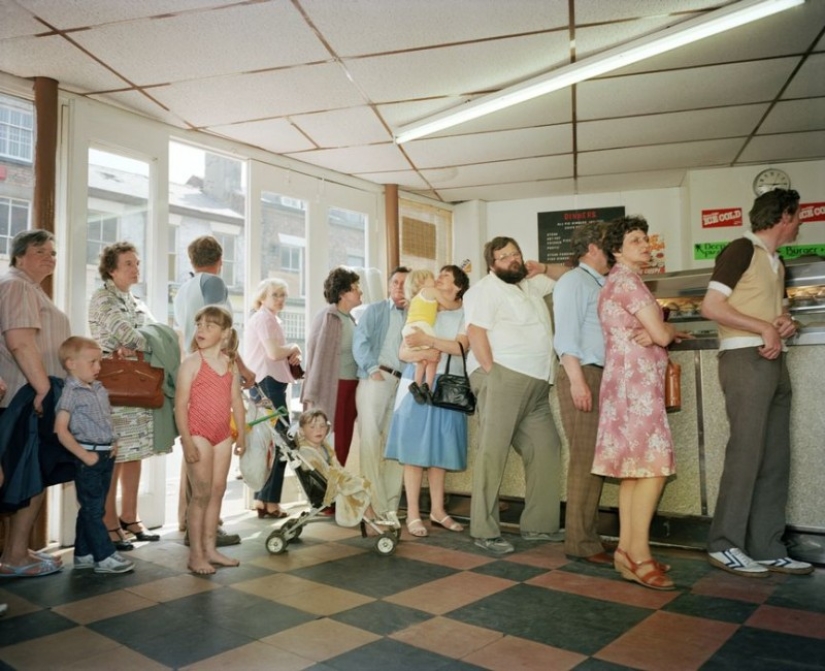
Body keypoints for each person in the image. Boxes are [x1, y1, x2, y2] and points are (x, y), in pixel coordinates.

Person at [701, 189, 812, 577]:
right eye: (797, 216)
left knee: (775, 457)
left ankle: (766, 545)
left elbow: (779, 315)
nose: (801, 222)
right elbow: (711, 306)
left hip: (774, 362)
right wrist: (764, 327)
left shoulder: (777, 262)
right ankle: (724, 544)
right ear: (784, 216)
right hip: (744, 359)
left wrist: (785, 323)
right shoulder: (740, 249)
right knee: (746, 454)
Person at [592, 216, 689, 591]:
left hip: (624, 386)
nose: (645, 245)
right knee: (654, 468)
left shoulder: (615, 283)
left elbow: (657, 334)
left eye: (645, 239)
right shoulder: (630, 284)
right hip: (636, 388)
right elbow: (661, 333)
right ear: (617, 250)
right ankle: (639, 554)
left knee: (636, 471)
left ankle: (627, 552)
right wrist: (661, 333)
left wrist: (658, 334)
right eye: (635, 240)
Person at [464, 237, 568, 555]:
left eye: (515, 253)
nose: (512, 259)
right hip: (503, 376)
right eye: (503, 256)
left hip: (538, 384)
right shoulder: (484, 289)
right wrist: (491, 371)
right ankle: (484, 529)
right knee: (491, 453)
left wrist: (545, 267)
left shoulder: (531, 285)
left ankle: (539, 526)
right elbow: (476, 331)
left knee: (547, 447)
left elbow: (571, 276)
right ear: (492, 264)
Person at [0, 230, 70, 577]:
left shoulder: (29, 287)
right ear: (19, 256)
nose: (50, 257)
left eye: (53, 253)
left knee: (34, 474)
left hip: (34, 395)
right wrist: (44, 389)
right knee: (28, 475)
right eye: (40, 251)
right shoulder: (17, 285)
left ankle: (17, 551)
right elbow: (19, 341)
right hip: (25, 396)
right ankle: (13, 558)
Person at [174, 235, 252, 545]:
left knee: (194, 448)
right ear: (220, 260)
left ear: (191, 260)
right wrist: (242, 367)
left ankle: (187, 520)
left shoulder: (184, 289)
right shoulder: (214, 284)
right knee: (208, 445)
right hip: (212, 371)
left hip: (192, 369)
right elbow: (221, 330)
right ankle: (207, 528)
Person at [88, 242, 165, 551]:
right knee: (115, 455)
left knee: (135, 453)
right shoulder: (103, 298)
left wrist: (148, 341)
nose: (135, 268)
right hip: (114, 386)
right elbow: (131, 335)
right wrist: (147, 341)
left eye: (137, 263)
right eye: (128, 263)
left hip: (138, 386)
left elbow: (155, 332)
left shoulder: (136, 300)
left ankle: (129, 517)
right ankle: (108, 522)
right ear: (112, 269)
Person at [385, 265, 470, 537]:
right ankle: (411, 513)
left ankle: (437, 511)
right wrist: (423, 348)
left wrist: (428, 342)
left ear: (458, 286)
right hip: (417, 385)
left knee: (440, 452)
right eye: (439, 275)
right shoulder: (424, 305)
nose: (438, 278)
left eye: (445, 276)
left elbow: (460, 347)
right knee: (413, 451)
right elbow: (403, 351)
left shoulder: (465, 311)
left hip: (447, 386)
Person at [552, 222, 612, 565]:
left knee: (594, 461)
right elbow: (566, 340)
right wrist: (577, 382)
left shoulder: (596, 282)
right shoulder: (574, 281)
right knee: (585, 461)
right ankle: (580, 542)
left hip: (596, 375)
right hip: (583, 374)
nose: (613, 251)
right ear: (591, 248)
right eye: (608, 245)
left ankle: (589, 536)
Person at [54, 336, 135, 574]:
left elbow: (105, 420)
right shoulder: (71, 392)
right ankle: (105, 556)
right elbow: (60, 430)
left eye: (99, 362)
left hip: (105, 455)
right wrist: (85, 456)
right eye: (92, 362)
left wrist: (114, 442)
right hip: (88, 457)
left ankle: (83, 553)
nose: (98, 368)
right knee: (92, 509)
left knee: (92, 507)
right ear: (71, 364)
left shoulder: (98, 388)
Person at [175, 306, 246, 575]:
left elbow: (236, 402)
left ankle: (211, 549)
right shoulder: (192, 363)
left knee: (217, 490)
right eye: (199, 324)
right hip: (198, 434)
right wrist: (187, 442)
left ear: (225, 333)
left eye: (210, 326)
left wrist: (242, 434)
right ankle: (195, 555)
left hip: (222, 436)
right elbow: (180, 406)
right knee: (201, 493)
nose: (201, 330)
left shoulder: (229, 364)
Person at [353, 266, 410, 521]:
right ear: (389, 286)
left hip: (403, 384)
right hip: (377, 378)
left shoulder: (415, 315)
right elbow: (360, 342)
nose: (399, 287)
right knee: (371, 442)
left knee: (394, 444)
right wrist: (372, 369)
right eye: (395, 282)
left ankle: (389, 507)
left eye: (404, 283)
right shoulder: (374, 310)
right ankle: (371, 505)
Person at [244, 278, 301, 518]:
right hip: (267, 385)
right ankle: (271, 502)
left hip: (266, 385)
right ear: (262, 297)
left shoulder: (269, 318)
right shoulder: (265, 319)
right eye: (275, 294)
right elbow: (274, 352)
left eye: (283, 295)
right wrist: (294, 347)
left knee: (271, 440)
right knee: (281, 441)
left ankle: (263, 500)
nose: (280, 299)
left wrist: (290, 353)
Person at [301, 267, 362, 468]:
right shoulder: (328, 316)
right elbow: (316, 357)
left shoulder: (350, 319)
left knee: (343, 445)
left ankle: (335, 496)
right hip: (335, 388)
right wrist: (312, 396)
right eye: (355, 288)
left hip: (350, 388)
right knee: (330, 445)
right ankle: (328, 498)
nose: (360, 291)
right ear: (343, 293)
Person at [295, 409, 374, 527]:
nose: (318, 430)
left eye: (322, 426)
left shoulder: (324, 447)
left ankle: (371, 519)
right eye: (312, 427)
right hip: (324, 490)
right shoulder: (306, 452)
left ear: (327, 428)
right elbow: (322, 473)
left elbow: (335, 467)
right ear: (302, 431)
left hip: (329, 483)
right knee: (361, 485)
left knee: (362, 483)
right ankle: (371, 523)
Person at [401, 269, 453, 404]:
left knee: (421, 359)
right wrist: (457, 304)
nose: (435, 280)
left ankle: (416, 384)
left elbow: (434, 309)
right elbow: (447, 305)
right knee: (433, 358)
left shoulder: (415, 299)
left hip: (409, 329)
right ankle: (428, 387)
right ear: (421, 282)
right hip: (422, 328)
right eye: (432, 277)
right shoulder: (430, 291)